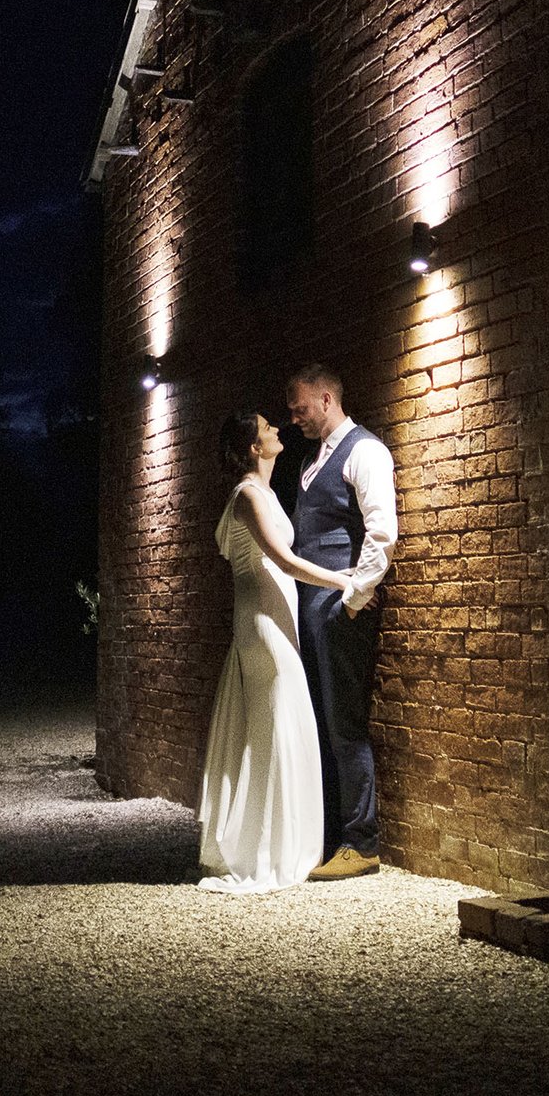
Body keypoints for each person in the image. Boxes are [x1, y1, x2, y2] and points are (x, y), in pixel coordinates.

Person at [197, 409, 357, 892]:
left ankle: (286, 841)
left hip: (272, 617)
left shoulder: (264, 493)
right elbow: (283, 560)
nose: (277, 431)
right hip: (262, 624)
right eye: (268, 428)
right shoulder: (248, 496)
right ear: (253, 447)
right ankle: (270, 848)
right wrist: (341, 579)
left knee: (278, 723)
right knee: (276, 723)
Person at [284, 363, 396, 879]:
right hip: (310, 606)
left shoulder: (365, 451)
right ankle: (329, 833)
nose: (294, 418)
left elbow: (382, 533)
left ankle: (362, 841)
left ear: (327, 400)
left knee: (344, 721)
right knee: (320, 721)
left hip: (337, 607)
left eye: (301, 408)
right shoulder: (312, 459)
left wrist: (354, 597)